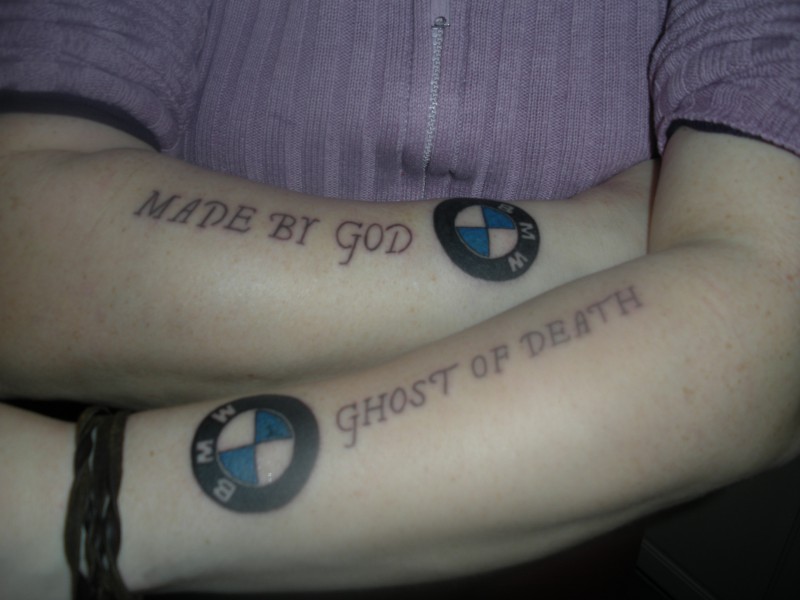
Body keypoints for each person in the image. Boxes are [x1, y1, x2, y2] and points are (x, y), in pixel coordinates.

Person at [0, 1, 798, 598]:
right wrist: (593, 239)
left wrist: (87, 508)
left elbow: (759, 347)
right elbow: (25, 238)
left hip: (556, 559)